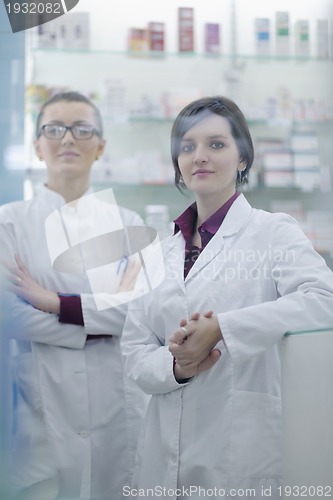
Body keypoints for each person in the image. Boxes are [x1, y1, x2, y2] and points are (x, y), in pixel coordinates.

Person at [121, 96, 333, 500]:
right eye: (188, 146)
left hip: (236, 449)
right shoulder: (156, 252)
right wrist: (179, 366)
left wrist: (223, 328)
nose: (200, 156)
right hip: (161, 449)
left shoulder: (273, 232)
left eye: (216, 144)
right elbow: (133, 351)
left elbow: (324, 298)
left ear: (242, 158)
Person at [0, 91, 148, 500]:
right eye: (54, 129)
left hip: (116, 401)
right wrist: (95, 328)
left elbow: (140, 313)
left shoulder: (128, 222)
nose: (68, 139)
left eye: (82, 130)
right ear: (37, 146)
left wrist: (51, 301)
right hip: (40, 401)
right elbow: (9, 313)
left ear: (100, 146)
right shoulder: (9, 222)